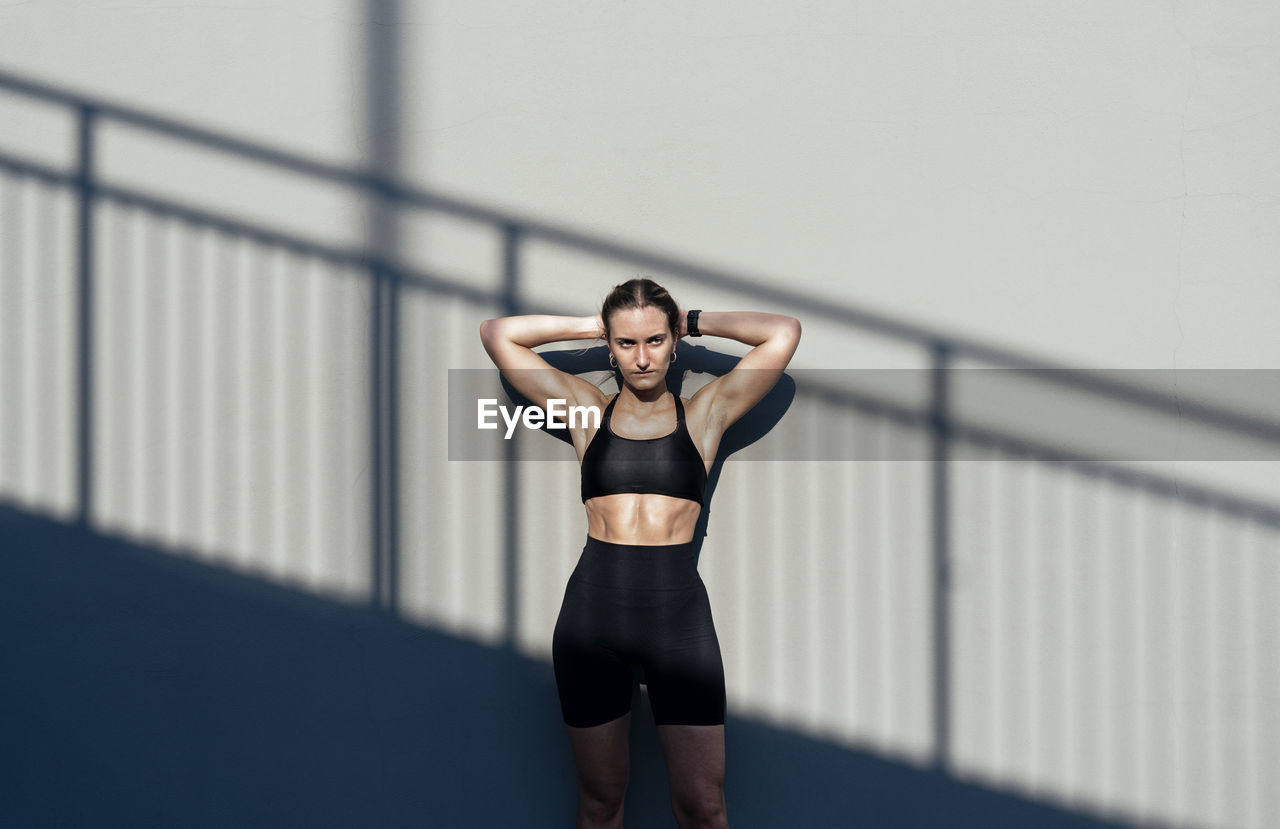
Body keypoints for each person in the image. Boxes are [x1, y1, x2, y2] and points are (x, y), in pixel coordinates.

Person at [479, 278, 801, 829]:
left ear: (672, 342)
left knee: (703, 806)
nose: (643, 357)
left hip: (677, 622)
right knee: (601, 802)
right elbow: (499, 335)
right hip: (591, 621)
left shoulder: (705, 415)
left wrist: (690, 319)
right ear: (611, 347)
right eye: (627, 344)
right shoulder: (586, 412)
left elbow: (782, 333)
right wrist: (596, 324)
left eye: (655, 341)